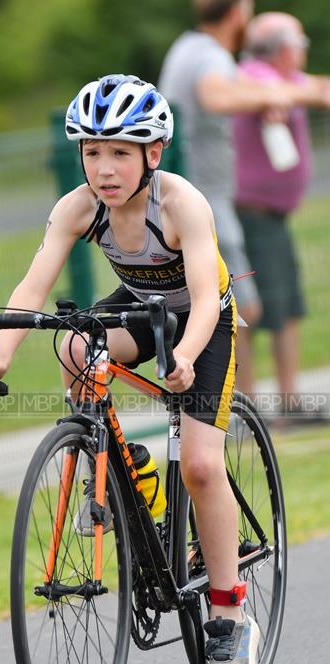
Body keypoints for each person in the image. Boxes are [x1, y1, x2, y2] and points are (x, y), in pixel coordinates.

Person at [0, 74, 259, 664]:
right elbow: (32, 289)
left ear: (153, 154)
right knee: (74, 345)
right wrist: (0, 354)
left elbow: (208, 299)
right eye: (92, 151)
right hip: (141, 306)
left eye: (120, 152)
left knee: (205, 467)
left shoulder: (181, 204)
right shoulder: (79, 206)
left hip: (200, 323)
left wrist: (181, 357)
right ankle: (112, 470)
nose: (104, 168)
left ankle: (230, 615)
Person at [158, 0, 330, 392]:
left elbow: (240, 87)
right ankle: (237, 411)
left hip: (196, 198)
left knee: (229, 309)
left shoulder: (190, 47)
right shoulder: (211, 57)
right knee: (236, 310)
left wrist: (275, 94)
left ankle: (237, 410)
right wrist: (268, 97)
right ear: (238, 13)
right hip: (203, 201)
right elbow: (218, 96)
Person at [233, 12, 329, 410]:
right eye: (300, 44)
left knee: (286, 307)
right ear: (284, 49)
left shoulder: (282, 82)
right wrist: (281, 96)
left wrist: (289, 96)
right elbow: (282, 91)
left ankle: (288, 402)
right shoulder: (255, 75)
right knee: (253, 311)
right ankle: (251, 408)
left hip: (272, 214)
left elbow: (319, 89)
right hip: (254, 214)